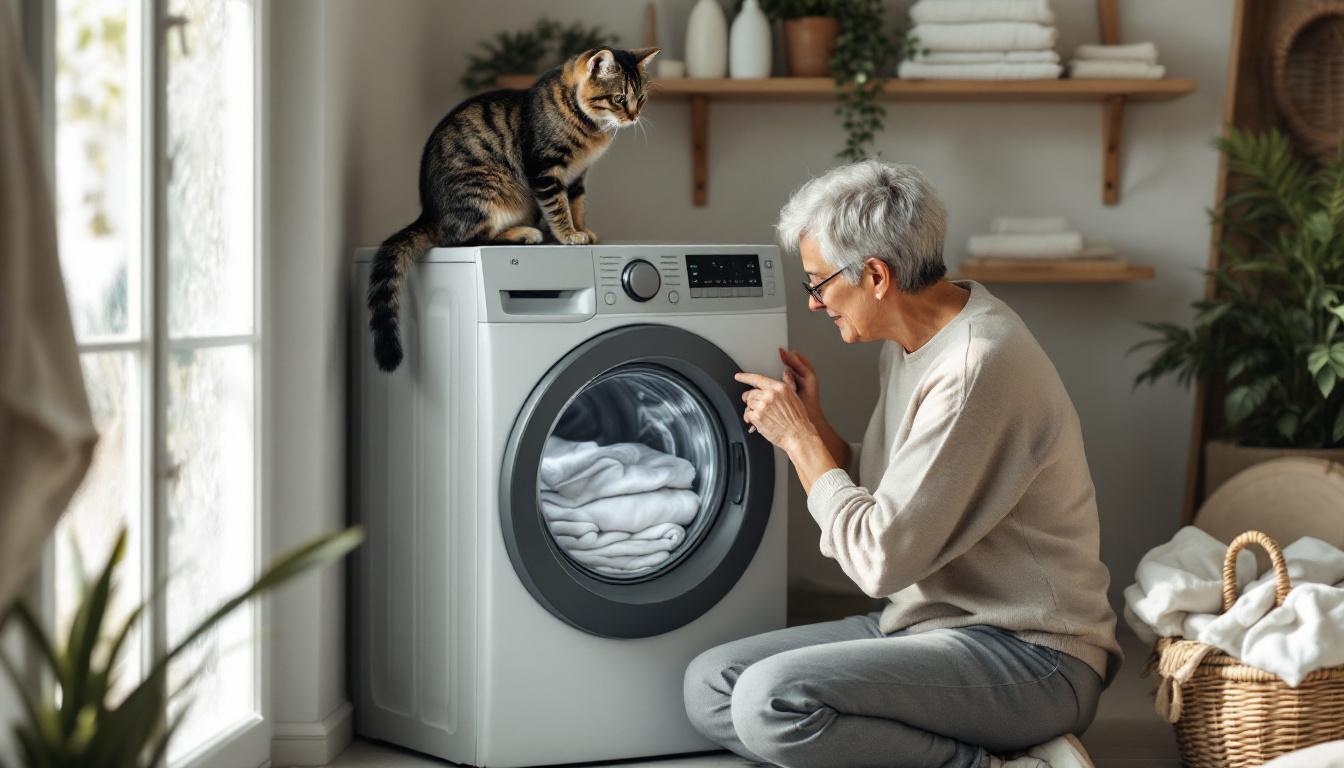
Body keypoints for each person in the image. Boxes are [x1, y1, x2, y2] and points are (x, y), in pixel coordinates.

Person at [683, 160, 1121, 768]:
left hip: (1033, 654)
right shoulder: (914, 340)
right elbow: (904, 498)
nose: (813, 304)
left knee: (767, 701)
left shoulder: (973, 366)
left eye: (816, 283)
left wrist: (799, 443)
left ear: (876, 276)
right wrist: (815, 429)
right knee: (709, 686)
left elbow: (879, 558)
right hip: (930, 626)